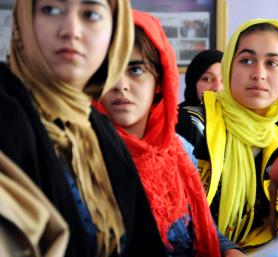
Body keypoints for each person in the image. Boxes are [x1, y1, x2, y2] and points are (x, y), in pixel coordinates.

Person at [0, 0, 166, 256]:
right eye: (51, 10)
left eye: (91, 14)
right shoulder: (6, 112)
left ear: (114, 32)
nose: (71, 30)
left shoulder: (99, 129)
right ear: (25, 19)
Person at [96, 10, 245, 257]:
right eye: (110, 69)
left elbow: (199, 224)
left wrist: (231, 251)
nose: (121, 85)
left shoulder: (178, 149)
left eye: (135, 70)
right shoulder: (81, 154)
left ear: (158, 82)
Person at [175, 18, 278, 249]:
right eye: (246, 60)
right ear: (229, 68)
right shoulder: (189, 124)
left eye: (272, 63)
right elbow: (172, 210)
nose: (258, 74)